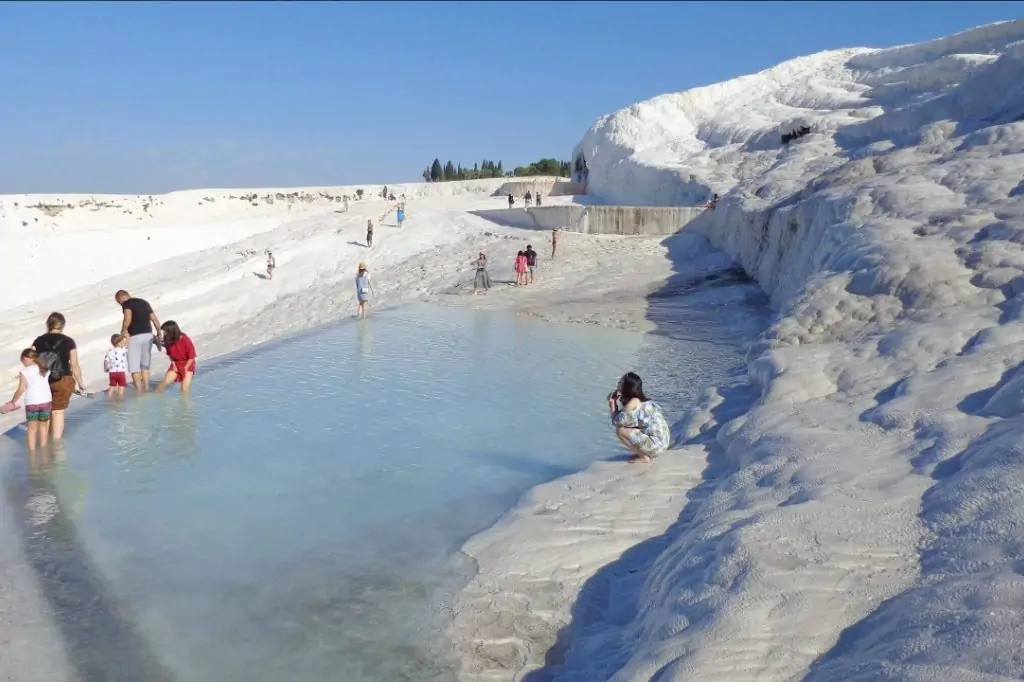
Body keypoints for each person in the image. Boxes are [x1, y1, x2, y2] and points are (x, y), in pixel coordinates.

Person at [30, 312, 86, 440]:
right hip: (63, 378)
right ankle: (56, 445)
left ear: (48, 324)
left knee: (46, 412)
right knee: (58, 412)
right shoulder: (68, 341)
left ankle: (45, 444)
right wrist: (80, 382)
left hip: (43, 379)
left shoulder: (38, 341)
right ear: (62, 325)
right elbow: (75, 365)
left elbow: (31, 359)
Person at [608, 372, 670, 464]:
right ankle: (644, 452)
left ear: (627, 387)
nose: (618, 383)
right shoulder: (642, 401)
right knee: (630, 427)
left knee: (620, 431)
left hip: (657, 445)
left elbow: (616, 422)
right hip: (663, 442)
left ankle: (644, 456)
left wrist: (612, 404)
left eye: (621, 382)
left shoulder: (634, 402)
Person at [115, 290, 162, 391]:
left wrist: (123, 330)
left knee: (134, 366)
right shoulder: (143, 302)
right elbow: (154, 318)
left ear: (120, 298)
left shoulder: (126, 304)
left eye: (118, 302)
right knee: (144, 365)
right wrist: (159, 332)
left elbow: (128, 317)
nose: (120, 304)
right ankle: (147, 387)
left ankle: (139, 392)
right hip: (148, 336)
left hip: (135, 337)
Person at [7, 349, 52, 452]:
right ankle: (43, 450)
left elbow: (21, 389)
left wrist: (13, 401)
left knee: (32, 429)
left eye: (23, 360)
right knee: (44, 427)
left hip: (32, 403)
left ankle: (32, 453)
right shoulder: (45, 368)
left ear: (27, 358)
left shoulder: (24, 371)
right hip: (46, 401)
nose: (23, 363)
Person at [155, 320, 197, 394]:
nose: (164, 333)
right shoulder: (168, 340)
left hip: (187, 364)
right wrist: (174, 365)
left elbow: (191, 357)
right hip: (176, 363)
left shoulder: (185, 340)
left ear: (171, 331)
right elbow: (170, 354)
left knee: (184, 389)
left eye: (165, 331)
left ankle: (186, 404)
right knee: (164, 383)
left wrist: (185, 368)